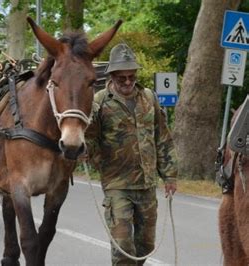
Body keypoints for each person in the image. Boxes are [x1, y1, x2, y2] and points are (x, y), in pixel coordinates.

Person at [87, 43, 178, 265]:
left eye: (131, 76)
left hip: (147, 185)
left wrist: (170, 175)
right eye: (122, 78)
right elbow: (89, 139)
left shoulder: (149, 98)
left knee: (145, 246)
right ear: (112, 76)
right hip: (117, 185)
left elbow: (162, 138)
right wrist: (98, 161)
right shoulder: (99, 102)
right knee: (123, 247)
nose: (128, 82)